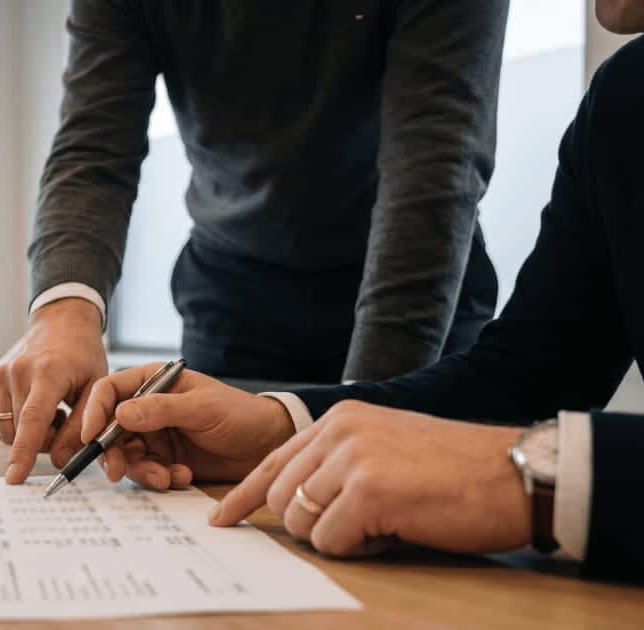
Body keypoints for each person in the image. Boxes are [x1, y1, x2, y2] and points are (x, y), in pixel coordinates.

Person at [79, 6, 644, 580]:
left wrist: (532, 478)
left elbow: (433, 172)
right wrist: (281, 428)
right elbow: (528, 381)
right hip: (230, 295)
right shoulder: (623, 99)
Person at [0, 1, 510, 485]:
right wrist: (63, 310)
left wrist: (367, 407)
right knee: (211, 515)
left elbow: (432, 172)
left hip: (416, 302)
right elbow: (93, 148)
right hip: (232, 302)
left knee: (394, 503)